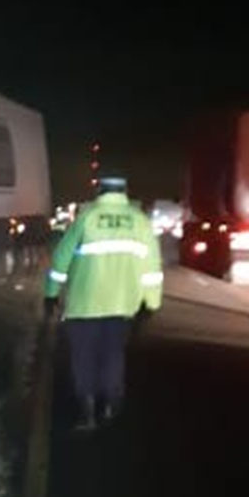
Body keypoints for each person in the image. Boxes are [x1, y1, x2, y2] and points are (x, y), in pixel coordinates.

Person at [44, 176, 163, 430]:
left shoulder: (86, 218)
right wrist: (151, 303)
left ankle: (87, 412)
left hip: (83, 304)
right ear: (125, 192)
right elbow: (152, 268)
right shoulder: (140, 222)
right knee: (112, 355)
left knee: (83, 358)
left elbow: (60, 260)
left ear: (100, 191)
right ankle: (110, 404)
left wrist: (51, 294)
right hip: (122, 305)